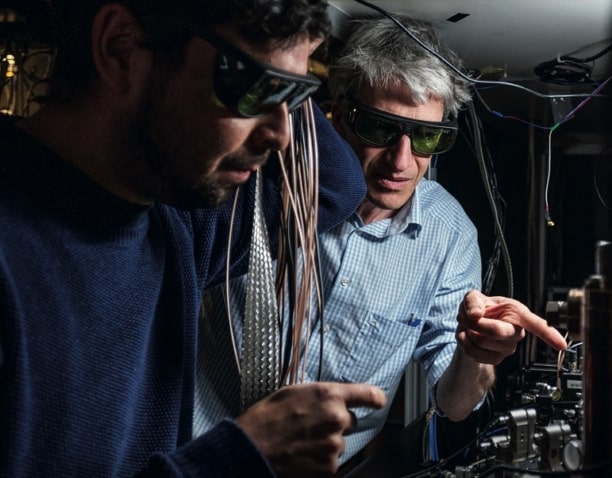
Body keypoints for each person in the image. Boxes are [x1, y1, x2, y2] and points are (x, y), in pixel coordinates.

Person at [0, 1, 389, 477]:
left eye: (294, 96)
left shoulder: (179, 221)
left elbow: (334, 186)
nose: (281, 135)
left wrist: (282, 67)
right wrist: (235, 461)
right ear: (121, 49)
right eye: (253, 87)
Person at [193, 15, 568, 466]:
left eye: (427, 136)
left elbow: (456, 404)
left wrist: (472, 354)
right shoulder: (254, 180)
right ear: (339, 115)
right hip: (197, 456)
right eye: (378, 128)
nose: (401, 161)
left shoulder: (449, 237)